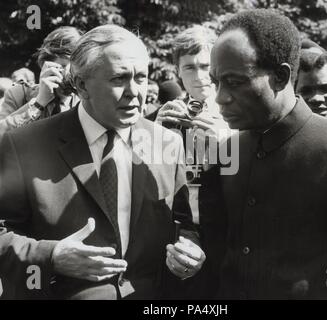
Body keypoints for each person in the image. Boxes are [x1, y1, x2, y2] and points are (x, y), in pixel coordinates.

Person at [0, 25, 205, 300]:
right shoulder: (25, 144)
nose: (135, 92)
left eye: (141, 78)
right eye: (119, 79)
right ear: (82, 85)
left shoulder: (167, 143)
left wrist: (189, 253)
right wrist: (50, 256)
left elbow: (184, 224)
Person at [210, 9, 327, 299]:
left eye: (234, 82)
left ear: (281, 76)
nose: (220, 97)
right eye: (216, 82)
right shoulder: (229, 151)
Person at [154, 25, 231, 298]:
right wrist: (153, 133)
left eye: (205, 66)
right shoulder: (163, 116)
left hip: (229, 238)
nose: (199, 77)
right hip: (176, 238)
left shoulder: (243, 114)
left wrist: (231, 140)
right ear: (177, 71)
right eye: (189, 68)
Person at [0, 27, 82, 138]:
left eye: (75, 66)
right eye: (62, 65)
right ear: (46, 65)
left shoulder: (85, 102)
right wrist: (39, 103)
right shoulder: (18, 95)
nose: (70, 73)